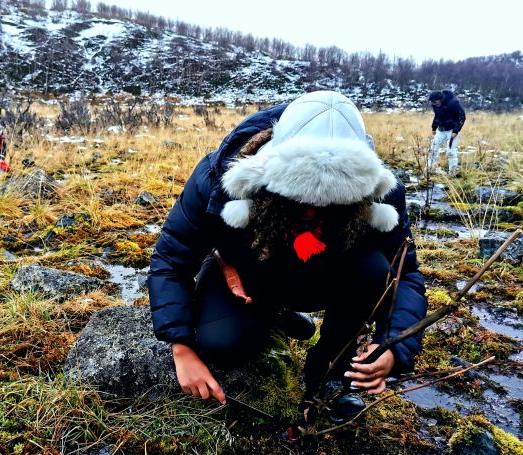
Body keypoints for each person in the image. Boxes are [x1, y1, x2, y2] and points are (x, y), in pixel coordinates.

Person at [147, 91, 427, 423]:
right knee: (221, 344)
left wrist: (393, 347)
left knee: (376, 270)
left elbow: (404, 275)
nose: (310, 210)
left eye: (330, 201)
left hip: (327, 275)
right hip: (248, 277)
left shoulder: (378, 193)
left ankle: (329, 372)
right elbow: (170, 259)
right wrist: (181, 347)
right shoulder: (220, 177)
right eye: (298, 196)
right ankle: (272, 316)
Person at [427, 90, 466, 176]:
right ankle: (430, 168)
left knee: (451, 151)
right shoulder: (435, 105)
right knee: (433, 148)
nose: (434, 103)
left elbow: (462, 116)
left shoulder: (453, 103)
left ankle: (453, 172)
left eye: (435, 101)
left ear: (440, 99)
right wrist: (434, 127)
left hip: (452, 130)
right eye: (432, 101)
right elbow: (437, 116)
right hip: (441, 129)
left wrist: (456, 131)